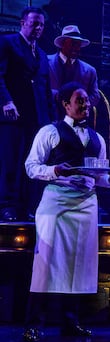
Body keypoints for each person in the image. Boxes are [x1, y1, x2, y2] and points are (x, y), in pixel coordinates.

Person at [22, 82, 110, 342]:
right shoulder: (50, 132)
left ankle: (70, 321)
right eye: (80, 100)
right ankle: (33, 323)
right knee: (46, 263)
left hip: (86, 204)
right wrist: (54, 171)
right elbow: (31, 167)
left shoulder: (97, 139)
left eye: (87, 101)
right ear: (66, 104)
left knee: (79, 264)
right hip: (57, 201)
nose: (86, 105)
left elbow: (101, 175)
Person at [0, 6, 55, 221]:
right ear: (23, 23)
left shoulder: (41, 54)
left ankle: (25, 207)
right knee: (10, 162)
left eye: (41, 24)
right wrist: (6, 101)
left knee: (30, 163)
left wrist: (51, 121)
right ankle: (6, 206)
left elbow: (46, 89)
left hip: (36, 119)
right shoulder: (7, 43)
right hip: (13, 117)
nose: (38, 28)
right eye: (34, 23)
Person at [48, 25, 100, 110]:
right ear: (63, 44)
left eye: (78, 44)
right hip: (49, 115)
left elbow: (95, 96)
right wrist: (57, 95)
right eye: (72, 43)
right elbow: (39, 88)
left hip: (76, 120)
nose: (76, 47)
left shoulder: (89, 71)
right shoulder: (45, 63)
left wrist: (79, 105)